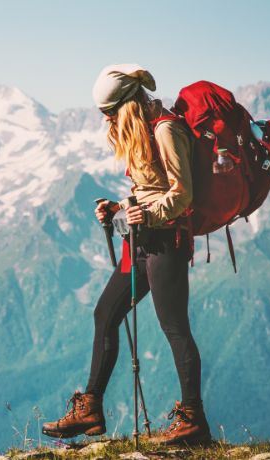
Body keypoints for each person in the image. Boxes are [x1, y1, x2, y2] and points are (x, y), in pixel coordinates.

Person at [41, 64, 211, 446]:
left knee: (175, 327)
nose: (108, 121)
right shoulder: (143, 131)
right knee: (105, 313)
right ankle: (91, 409)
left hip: (167, 243)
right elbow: (152, 188)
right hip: (141, 240)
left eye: (111, 113)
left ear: (128, 105)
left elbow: (183, 194)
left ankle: (193, 419)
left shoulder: (166, 130)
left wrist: (146, 214)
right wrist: (119, 207)